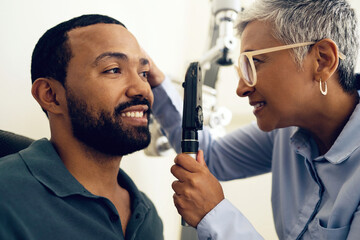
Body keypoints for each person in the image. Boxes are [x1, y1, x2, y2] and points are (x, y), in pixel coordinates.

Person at [148, 0, 360, 239]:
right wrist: (155, 82)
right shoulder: (286, 130)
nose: (241, 88)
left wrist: (216, 215)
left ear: (323, 60)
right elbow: (210, 158)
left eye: (254, 63)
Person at [0, 14, 164, 240]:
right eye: (114, 69)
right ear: (51, 95)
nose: (142, 89)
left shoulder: (148, 216)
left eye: (143, 73)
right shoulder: (6, 198)